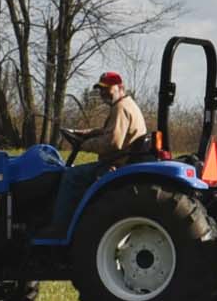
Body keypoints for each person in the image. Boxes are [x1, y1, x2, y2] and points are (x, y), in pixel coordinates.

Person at [52, 71, 148, 232]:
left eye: (107, 88)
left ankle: (60, 227)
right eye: (101, 89)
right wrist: (86, 133)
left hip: (116, 164)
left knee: (70, 176)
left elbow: (112, 143)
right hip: (123, 160)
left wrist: (84, 144)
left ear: (120, 87)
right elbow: (110, 132)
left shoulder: (120, 108)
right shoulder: (127, 104)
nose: (103, 93)